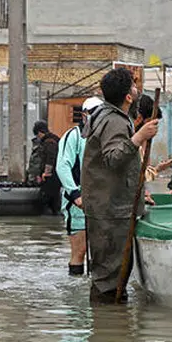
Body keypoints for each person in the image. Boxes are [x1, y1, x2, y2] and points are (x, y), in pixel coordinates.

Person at [81, 67, 159, 303]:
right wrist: (139, 137)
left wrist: (137, 191)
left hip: (111, 206)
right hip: (111, 211)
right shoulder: (114, 121)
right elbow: (114, 159)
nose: (137, 90)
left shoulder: (107, 115)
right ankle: (108, 329)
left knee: (111, 273)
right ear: (128, 96)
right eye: (134, 87)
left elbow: (122, 168)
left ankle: (111, 326)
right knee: (110, 278)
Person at [56, 96, 104, 276]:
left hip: (101, 200)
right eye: (93, 114)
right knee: (80, 250)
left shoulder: (106, 137)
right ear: (84, 116)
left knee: (99, 252)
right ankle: (76, 290)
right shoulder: (73, 136)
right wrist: (75, 195)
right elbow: (63, 166)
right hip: (78, 202)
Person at [33, 121, 62, 215]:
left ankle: (48, 221)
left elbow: (50, 158)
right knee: (53, 199)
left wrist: (46, 172)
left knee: (47, 198)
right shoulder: (54, 140)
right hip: (54, 175)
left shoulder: (50, 142)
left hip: (52, 176)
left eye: (37, 135)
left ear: (40, 133)